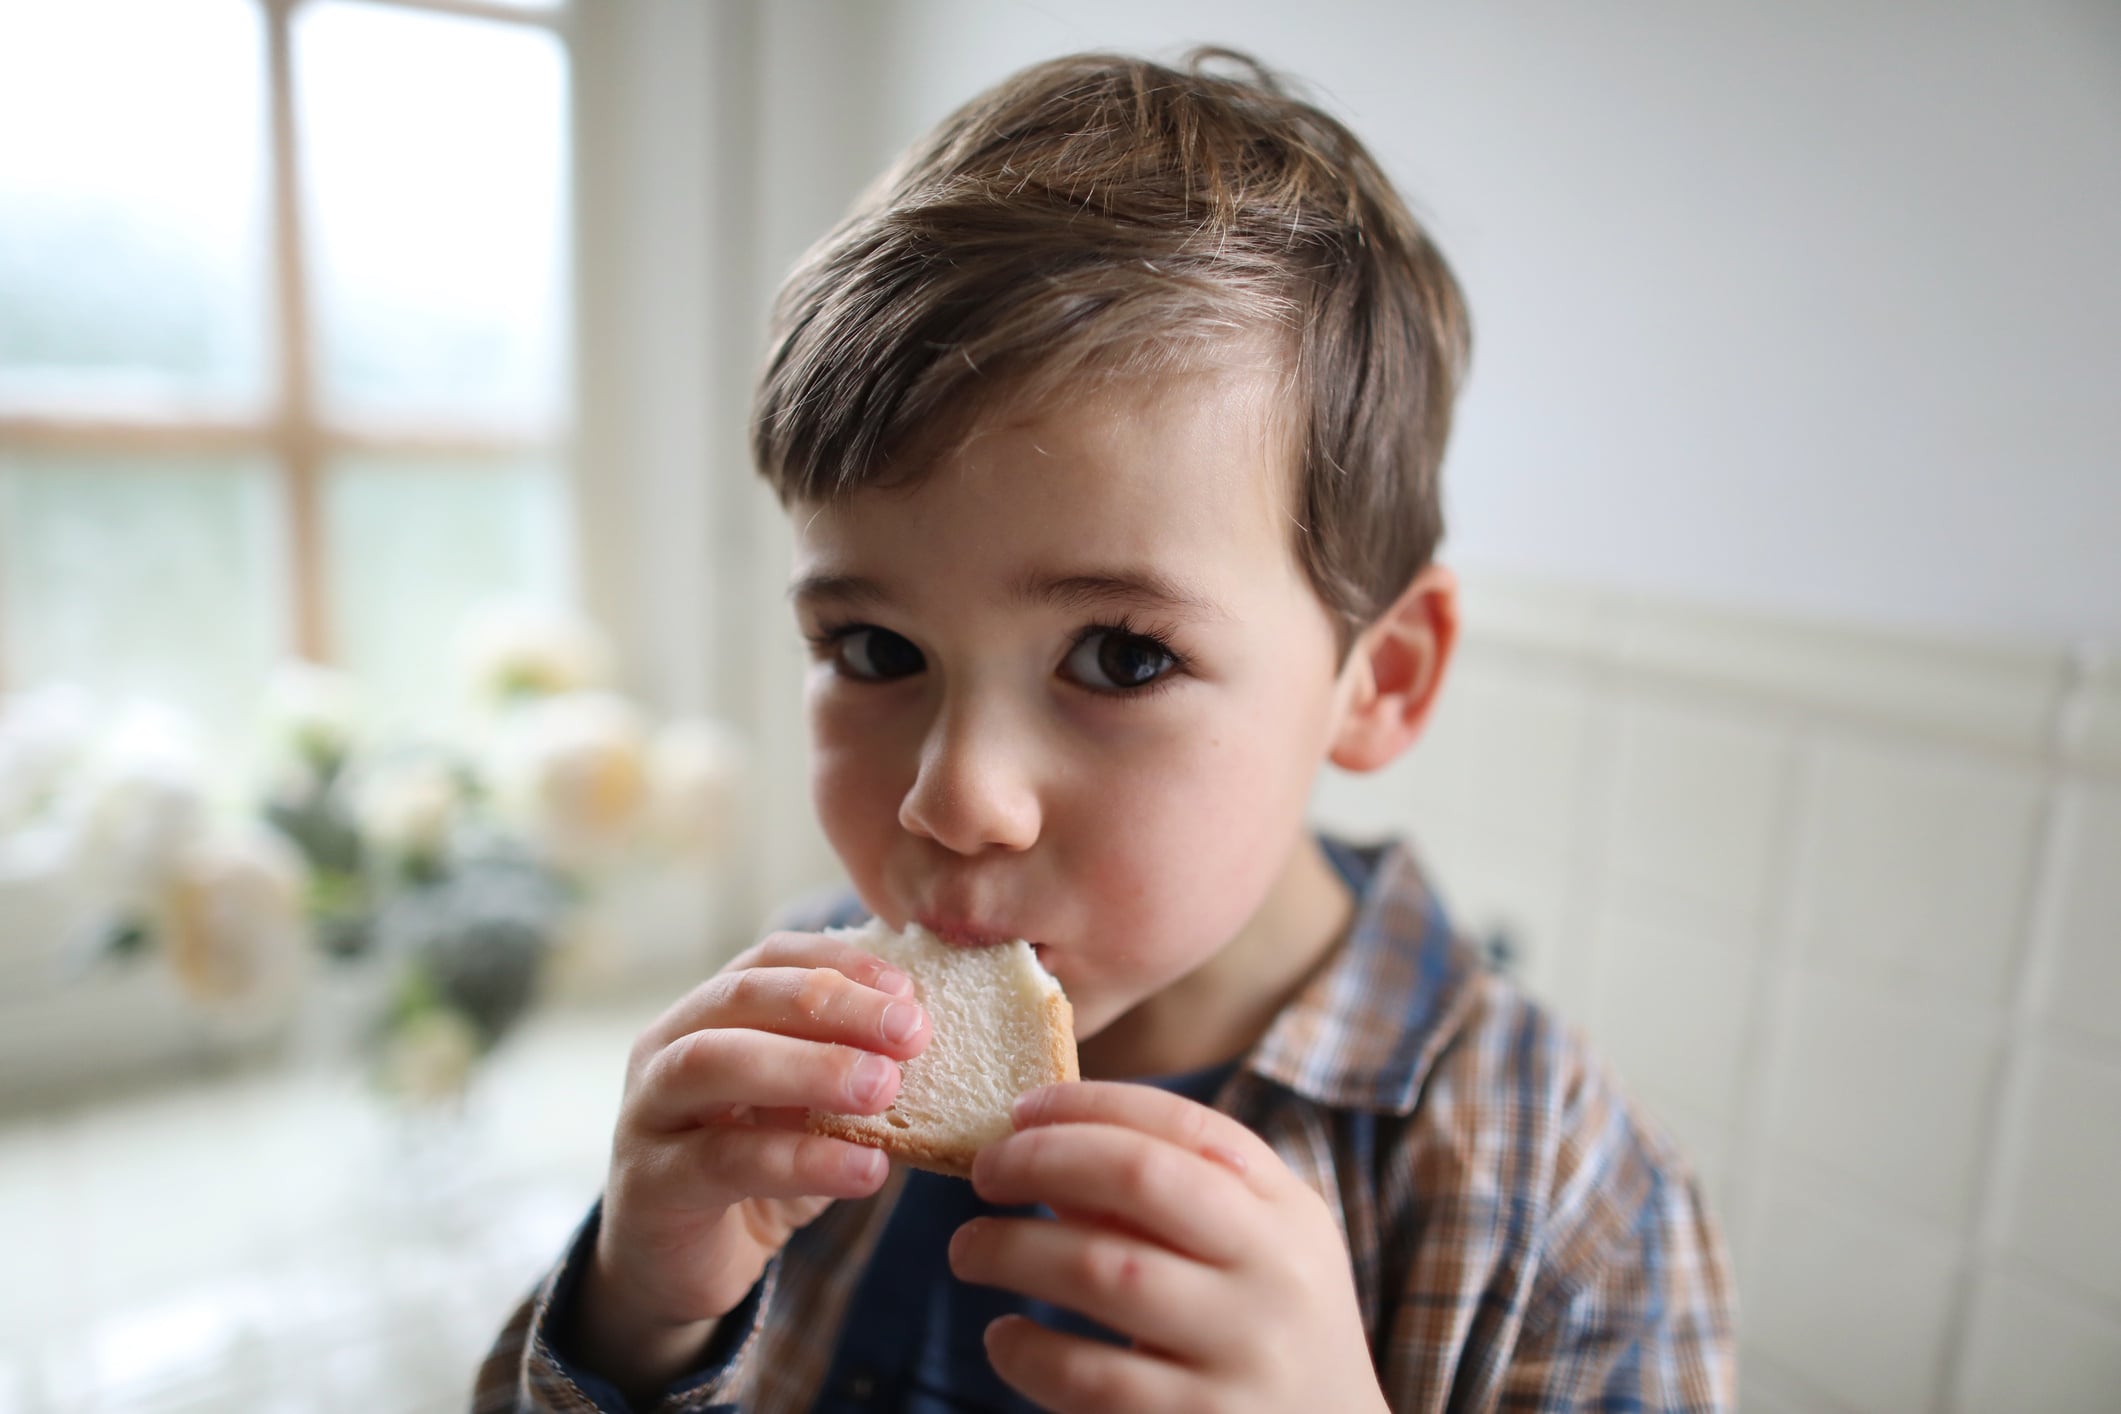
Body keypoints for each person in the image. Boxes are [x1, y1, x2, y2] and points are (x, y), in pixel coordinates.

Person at [476, 47, 1735, 1413]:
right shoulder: (806, 1043)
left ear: (1377, 679)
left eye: (1121, 655)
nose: (954, 800)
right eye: (873, 648)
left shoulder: (1552, 1195)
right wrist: (636, 1314)